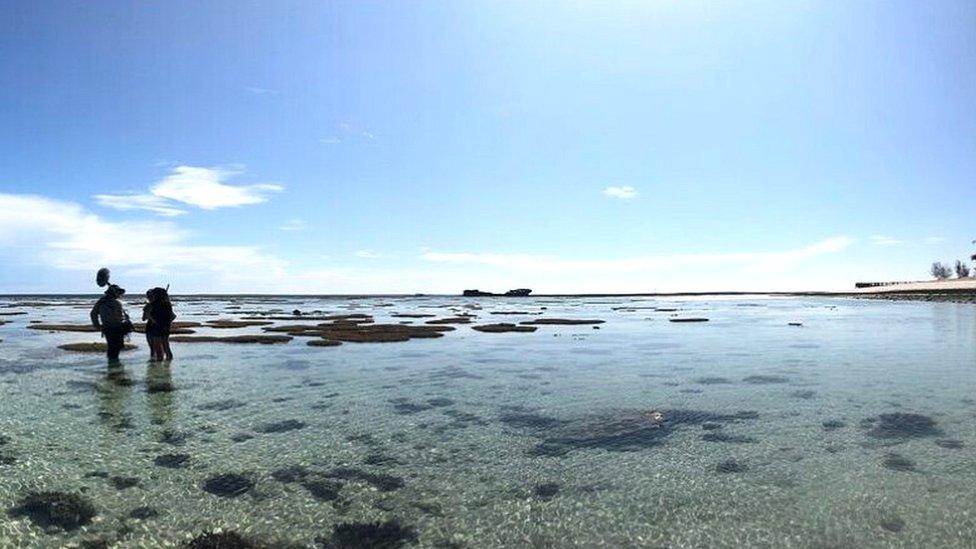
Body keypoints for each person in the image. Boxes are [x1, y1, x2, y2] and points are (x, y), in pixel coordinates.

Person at [90, 284, 131, 362]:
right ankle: (114, 367)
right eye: (118, 293)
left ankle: (112, 365)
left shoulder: (101, 301)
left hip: (108, 328)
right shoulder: (115, 303)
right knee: (115, 348)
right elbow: (93, 314)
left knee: (113, 347)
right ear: (114, 293)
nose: (119, 295)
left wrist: (97, 325)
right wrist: (97, 325)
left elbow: (93, 314)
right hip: (115, 328)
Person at [143, 286, 175, 361]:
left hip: (156, 328)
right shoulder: (168, 305)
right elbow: (172, 317)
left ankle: (158, 370)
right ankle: (168, 367)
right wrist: (166, 323)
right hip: (166, 328)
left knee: (158, 350)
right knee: (166, 348)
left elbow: (146, 316)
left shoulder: (152, 305)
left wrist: (153, 321)